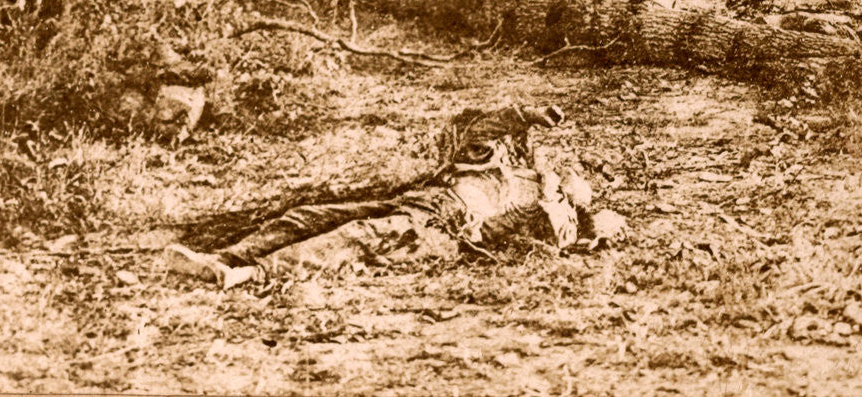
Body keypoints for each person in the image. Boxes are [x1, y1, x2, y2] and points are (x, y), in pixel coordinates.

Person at [163, 104, 624, 290]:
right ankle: (224, 255)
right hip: (419, 201)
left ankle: (244, 274)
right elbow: (480, 132)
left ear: (580, 201)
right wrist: (525, 115)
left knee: (355, 238)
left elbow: (535, 234)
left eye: (577, 182)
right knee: (310, 215)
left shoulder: (554, 212)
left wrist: (557, 197)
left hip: (441, 227)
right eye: (568, 171)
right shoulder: (506, 164)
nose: (569, 174)